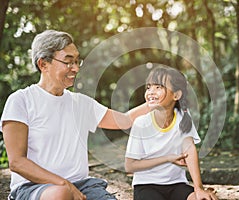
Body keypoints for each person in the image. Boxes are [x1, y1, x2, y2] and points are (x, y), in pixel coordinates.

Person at [0, 30, 151, 200]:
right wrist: (64, 185)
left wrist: (155, 102)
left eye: (77, 61)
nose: (76, 68)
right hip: (33, 187)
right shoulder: (21, 101)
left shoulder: (81, 103)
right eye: (68, 62)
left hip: (82, 185)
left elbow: (124, 121)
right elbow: (17, 162)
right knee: (60, 194)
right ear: (43, 64)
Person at [125, 66, 218, 200]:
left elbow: (190, 149)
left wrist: (199, 188)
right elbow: (130, 166)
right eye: (149, 87)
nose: (151, 92)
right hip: (146, 186)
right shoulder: (141, 123)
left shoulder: (183, 117)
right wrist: (167, 158)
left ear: (176, 95)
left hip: (176, 185)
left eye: (158, 87)